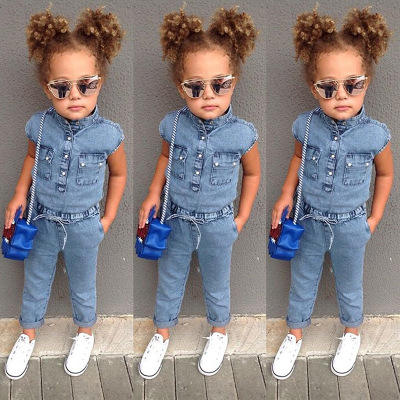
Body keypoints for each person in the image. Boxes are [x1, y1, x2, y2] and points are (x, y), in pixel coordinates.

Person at [138, 6, 260, 379]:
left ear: (233, 82)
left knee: (216, 282)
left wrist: (241, 217)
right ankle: (161, 333)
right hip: (175, 219)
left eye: (219, 84)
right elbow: (164, 158)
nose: (208, 95)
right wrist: (152, 194)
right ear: (181, 87)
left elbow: (253, 173)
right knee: (169, 278)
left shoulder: (242, 133)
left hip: (218, 223)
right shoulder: (172, 125)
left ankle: (219, 332)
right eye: (196, 87)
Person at [4, 7, 126, 379]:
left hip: (85, 224)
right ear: (47, 88)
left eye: (86, 85)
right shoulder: (38, 125)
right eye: (62, 87)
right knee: (36, 279)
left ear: (100, 83)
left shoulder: (108, 134)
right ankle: (28, 334)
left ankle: (85, 332)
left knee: (83, 282)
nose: (75, 95)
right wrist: (18, 195)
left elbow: (119, 174)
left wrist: (107, 218)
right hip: (41, 219)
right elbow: (30, 158)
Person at [271, 7, 393, 379]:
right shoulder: (305, 125)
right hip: (308, 220)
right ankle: (294, 334)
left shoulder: (375, 134)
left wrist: (374, 218)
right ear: (314, 88)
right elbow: (297, 159)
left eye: (352, 85)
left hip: (352, 224)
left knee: (349, 283)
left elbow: (386, 173)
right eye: (329, 87)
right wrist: (285, 195)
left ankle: (352, 332)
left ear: (366, 83)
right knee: (302, 279)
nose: (341, 95)